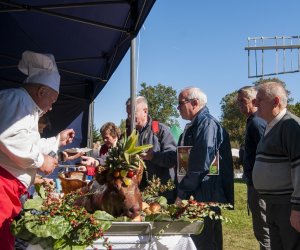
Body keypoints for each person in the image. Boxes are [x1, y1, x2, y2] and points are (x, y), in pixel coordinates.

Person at [0, 51, 77, 250]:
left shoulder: (25, 106)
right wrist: (40, 161)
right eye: (52, 100)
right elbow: (9, 137)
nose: (51, 107)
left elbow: (27, 142)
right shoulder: (19, 100)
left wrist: (56, 140)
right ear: (41, 91)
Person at [175, 87, 234, 250]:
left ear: (194, 103)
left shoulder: (207, 123)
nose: (178, 108)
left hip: (205, 194)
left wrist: (183, 192)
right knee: (197, 241)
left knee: (205, 242)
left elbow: (201, 163)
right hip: (197, 192)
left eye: (180, 103)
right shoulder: (193, 126)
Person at [252, 81, 300, 250]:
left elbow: (299, 168)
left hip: (287, 207)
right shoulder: (271, 126)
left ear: (276, 101)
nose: (255, 103)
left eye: (259, 99)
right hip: (273, 204)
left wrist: (297, 208)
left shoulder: (290, 126)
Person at [126, 96, 177, 203]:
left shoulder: (160, 130)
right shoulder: (128, 134)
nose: (129, 116)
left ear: (145, 111)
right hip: (140, 195)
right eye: (128, 113)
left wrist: (153, 156)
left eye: (133, 113)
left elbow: (172, 158)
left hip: (163, 196)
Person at [237, 86, 270, 249]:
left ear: (254, 101)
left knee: (264, 231)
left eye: (243, 101)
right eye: (238, 103)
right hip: (256, 183)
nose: (240, 106)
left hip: (260, 186)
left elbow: (266, 154)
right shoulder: (253, 121)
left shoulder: (257, 122)